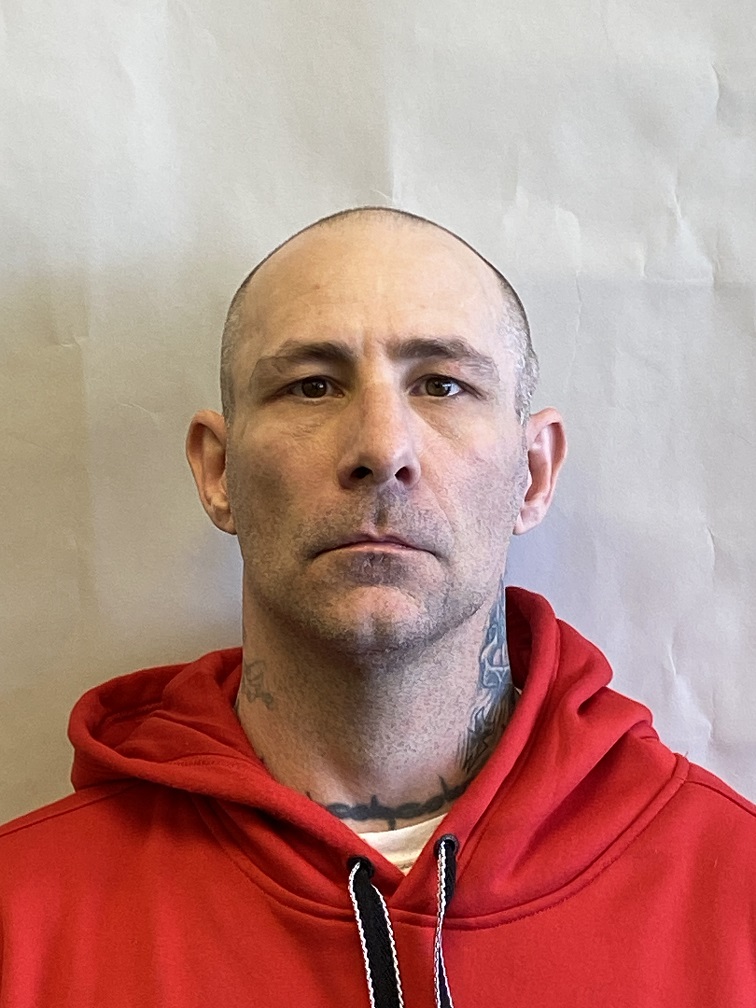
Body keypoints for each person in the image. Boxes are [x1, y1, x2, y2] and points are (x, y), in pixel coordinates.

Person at [1, 207, 754, 1008]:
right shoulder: (22, 917)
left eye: (442, 384)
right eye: (312, 385)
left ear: (533, 473)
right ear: (219, 473)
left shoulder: (735, 895)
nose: (381, 448)